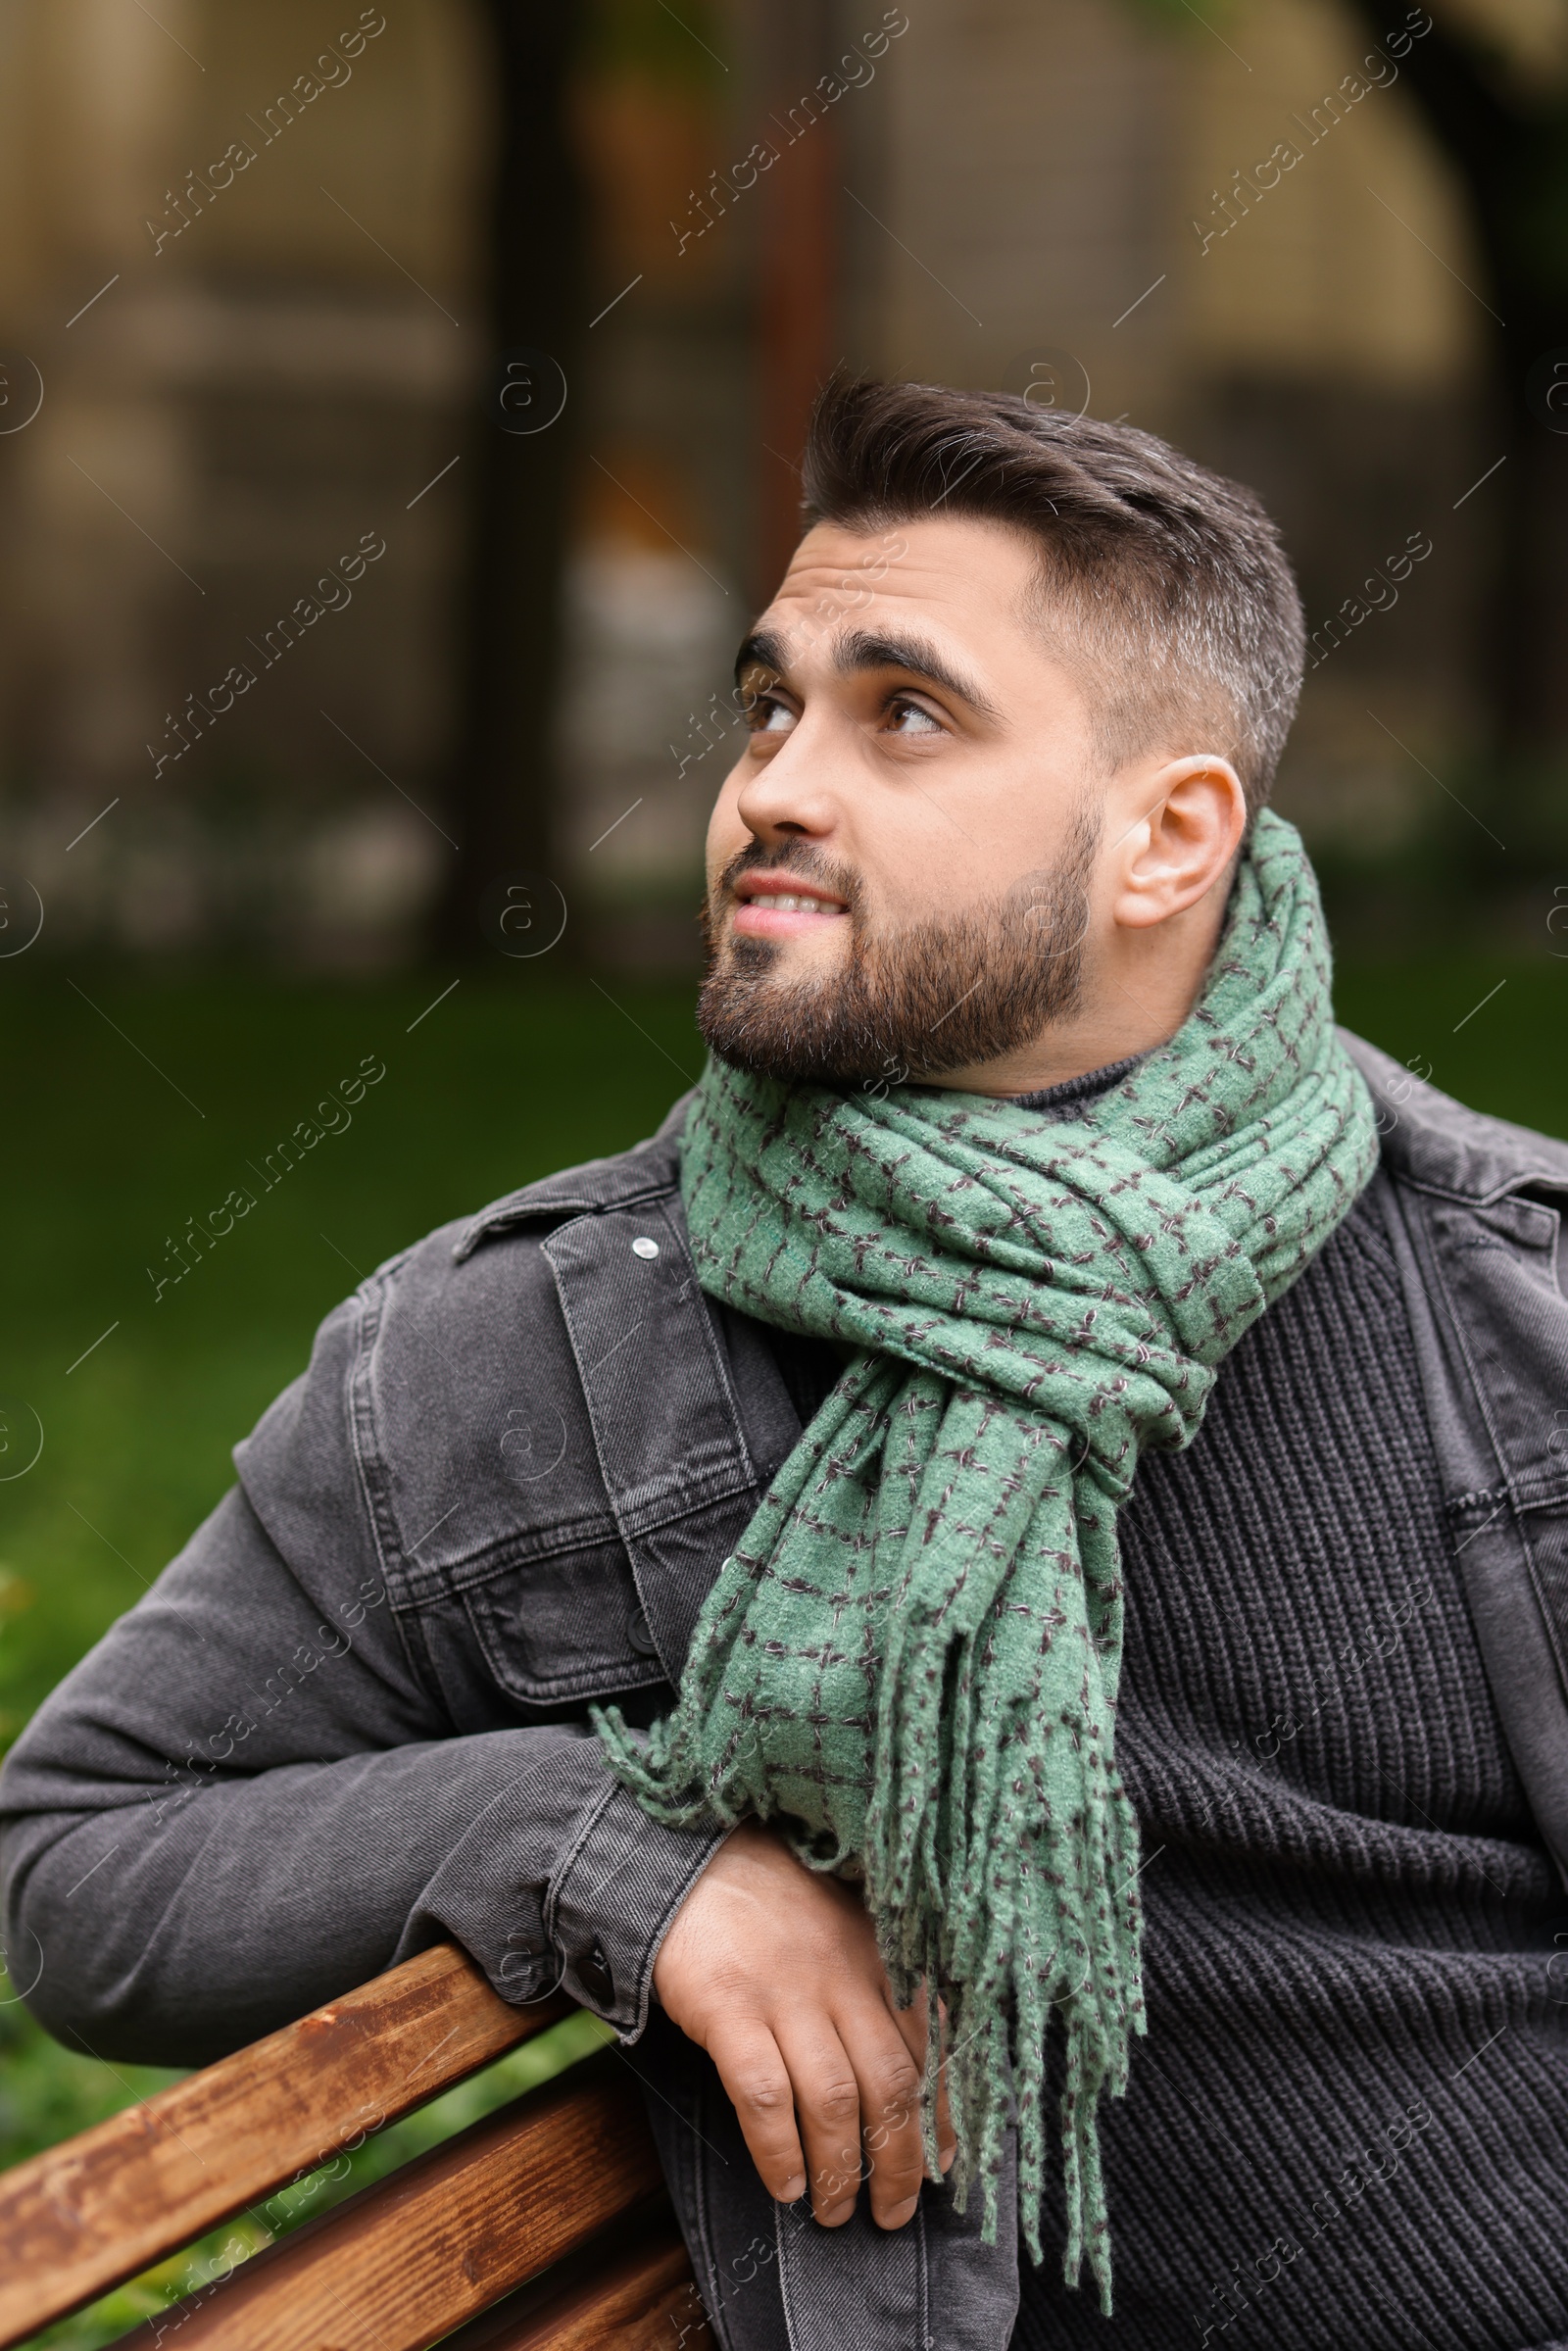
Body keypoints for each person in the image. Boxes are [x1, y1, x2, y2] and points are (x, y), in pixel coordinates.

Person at [5, 377, 1568, 2351]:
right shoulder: (532, 1357)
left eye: (899, 714)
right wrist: (599, 1848)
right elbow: (75, 1866)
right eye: (768, 706)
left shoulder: (1504, 1295)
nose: (769, 791)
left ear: (1165, 839)